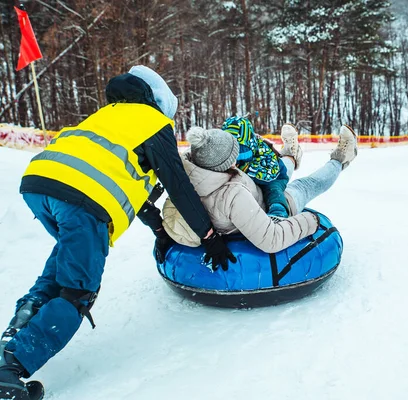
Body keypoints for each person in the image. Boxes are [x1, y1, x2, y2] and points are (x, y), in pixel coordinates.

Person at [0, 65, 235, 400]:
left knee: (54, 279)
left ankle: (9, 345)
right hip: (83, 200)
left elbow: (119, 179)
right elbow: (178, 185)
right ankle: (10, 370)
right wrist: (209, 236)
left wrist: (157, 227)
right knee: (75, 292)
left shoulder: (107, 116)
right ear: (159, 104)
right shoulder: (154, 122)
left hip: (40, 183)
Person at [162, 124, 358, 254]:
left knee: (276, 173)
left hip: (253, 190)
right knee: (305, 185)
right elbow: (271, 239)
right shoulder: (231, 196)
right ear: (225, 164)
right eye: (233, 157)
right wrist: (312, 221)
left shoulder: (187, 173)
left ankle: (290, 154)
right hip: (267, 209)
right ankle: (341, 158)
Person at [221, 116, 299, 218]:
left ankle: (278, 211)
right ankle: (287, 152)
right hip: (251, 166)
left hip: (274, 174)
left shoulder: (253, 154)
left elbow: (268, 175)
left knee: (272, 190)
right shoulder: (225, 146)